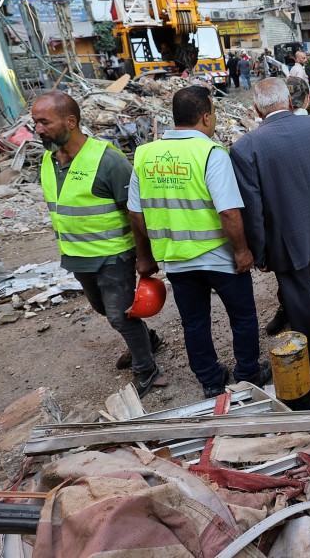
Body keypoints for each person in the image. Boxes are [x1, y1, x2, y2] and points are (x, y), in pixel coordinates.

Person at [128, 86, 268, 398]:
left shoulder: (145, 155)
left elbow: (135, 211)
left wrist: (149, 250)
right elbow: (229, 212)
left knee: (194, 323)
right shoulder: (210, 153)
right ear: (205, 117)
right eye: (214, 113)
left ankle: (210, 380)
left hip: (176, 258)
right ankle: (247, 373)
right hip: (219, 256)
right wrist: (243, 251)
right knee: (242, 317)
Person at [32, 93, 166, 397]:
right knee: (103, 308)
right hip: (77, 256)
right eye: (35, 122)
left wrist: (145, 257)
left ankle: (148, 371)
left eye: (44, 122)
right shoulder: (48, 160)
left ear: (70, 121)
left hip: (114, 256)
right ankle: (148, 340)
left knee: (121, 315)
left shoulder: (107, 161)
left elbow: (135, 211)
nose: (38, 129)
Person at [230, 78, 310, 370]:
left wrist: (260, 253)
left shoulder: (245, 147)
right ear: (290, 100)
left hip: (286, 240)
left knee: (300, 307)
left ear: (256, 109)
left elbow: (252, 209)